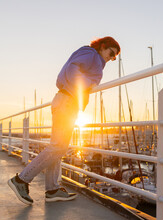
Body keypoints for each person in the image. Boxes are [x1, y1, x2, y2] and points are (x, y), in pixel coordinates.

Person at [8, 36, 120, 205]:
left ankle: (52, 190)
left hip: (66, 101)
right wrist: (88, 84)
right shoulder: (92, 54)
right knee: (57, 147)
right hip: (67, 102)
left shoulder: (91, 56)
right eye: (111, 53)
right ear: (102, 46)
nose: (110, 58)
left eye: (114, 57)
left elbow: (69, 72)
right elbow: (72, 70)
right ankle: (21, 180)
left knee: (58, 147)